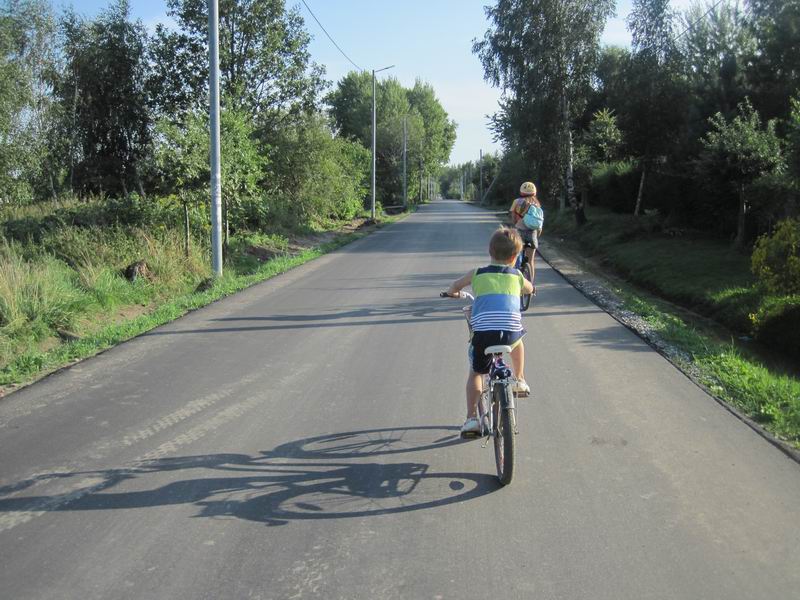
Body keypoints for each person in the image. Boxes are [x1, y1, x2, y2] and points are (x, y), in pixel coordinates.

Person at [444, 227, 534, 436]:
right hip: (510, 332)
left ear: (490, 251)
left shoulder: (477, 273)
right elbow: (529, 289)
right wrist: (527, 289)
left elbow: (455, 286)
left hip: (484, 334)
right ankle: (519, 380)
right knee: (519, 341)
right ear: (515, 256)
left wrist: (453, 293)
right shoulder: (517, 275)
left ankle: (471, 420)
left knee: (476, 372)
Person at [508, 181, 543, 288]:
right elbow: (539, 225)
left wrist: (516, 224)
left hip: (519, 232)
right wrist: (536, 236)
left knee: (514, 257)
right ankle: (531, 286)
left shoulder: (517, 202)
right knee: (531, 261)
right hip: (532, 233)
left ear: (521, 191)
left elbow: (513, 217)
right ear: (534, 192)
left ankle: (515, 281)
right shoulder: (537, 204)